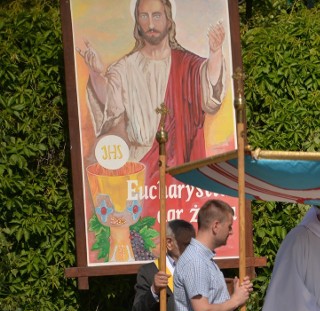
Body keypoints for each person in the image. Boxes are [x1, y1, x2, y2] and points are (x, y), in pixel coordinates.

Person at [77, 0, 226, 188]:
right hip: (140, 168)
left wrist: (215, 52)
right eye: (144, 16)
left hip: (180, 166)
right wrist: (96, 73)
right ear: (137, 22)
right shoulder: (125, 67)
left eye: (156, 15)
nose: (151, 24)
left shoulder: (187, 65)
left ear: (169, 20)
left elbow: (210, 97)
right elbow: (109, 102)